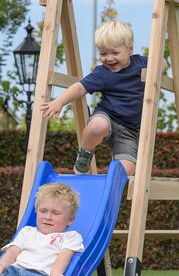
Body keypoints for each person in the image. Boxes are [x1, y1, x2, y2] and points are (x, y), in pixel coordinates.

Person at [39, 19, 163, 177]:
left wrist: (158, 70)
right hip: (108, 118)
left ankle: (105, 186)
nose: (109, 58)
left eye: (115, 53)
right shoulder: (102, 73)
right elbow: (80, 87)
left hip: (130, 131)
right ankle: (85, 151)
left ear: (130, 49)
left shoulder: (141, 63)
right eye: (103, 53)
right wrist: (59, 102)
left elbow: (162, 62)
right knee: (97, 126)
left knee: (126, 172)